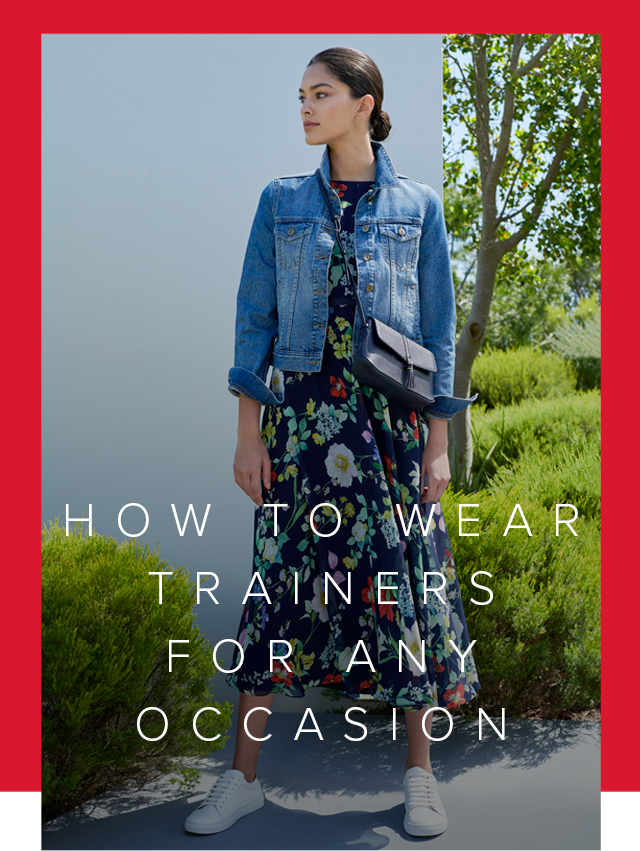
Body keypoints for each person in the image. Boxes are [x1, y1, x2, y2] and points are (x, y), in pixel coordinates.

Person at [185, 46, 480, 839]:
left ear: (364, 102)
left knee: (404, 590)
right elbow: (255, 322)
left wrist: (439, 441)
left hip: (389, 430)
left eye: (322, 94)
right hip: (303, 428)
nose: (307, 108)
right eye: (302, 96)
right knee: (276, 591)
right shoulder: (281, 202)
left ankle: (419, 777)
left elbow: (442, 330)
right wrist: (249, 433)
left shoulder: (417, 205)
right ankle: (240, 780)